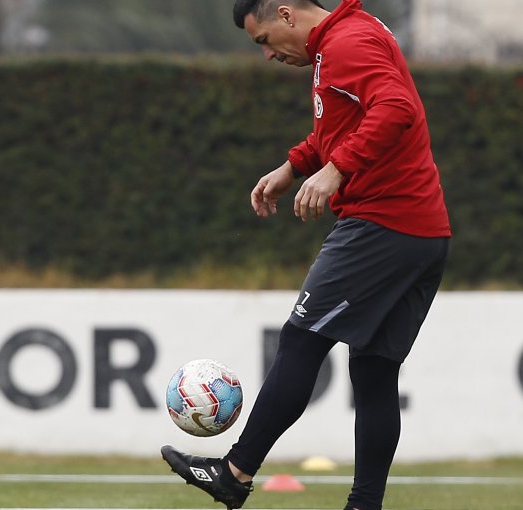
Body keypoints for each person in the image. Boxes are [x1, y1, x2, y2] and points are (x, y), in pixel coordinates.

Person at [160, 1, 451, 510]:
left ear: (286, 14)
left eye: (265, 40)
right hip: (421, 231)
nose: (269, 55)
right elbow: (344, 126)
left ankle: (233, 474)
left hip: (382, 224)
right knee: (375, 371)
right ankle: (365, 506)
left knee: (300, 341)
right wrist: (293, 166)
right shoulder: (350, 35)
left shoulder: (346, 44)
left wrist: (336, 170)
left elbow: (396, 108)